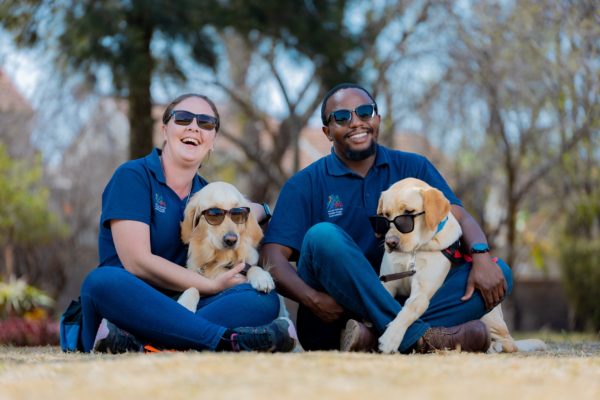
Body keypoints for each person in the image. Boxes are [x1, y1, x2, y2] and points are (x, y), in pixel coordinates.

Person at [260, 83, 511, 353]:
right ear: (327, 131)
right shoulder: (305, 184)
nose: (357, 122)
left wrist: (482, 254)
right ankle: (420, 337)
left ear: (377, 119)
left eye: (365, 112)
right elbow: (272, 258)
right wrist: (312, 300)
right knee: (323, 236)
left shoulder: (413, 167)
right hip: (335, 318)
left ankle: (373, 337)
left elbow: (458, 216)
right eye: (343, 117)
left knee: (501, 272)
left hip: (407, 299)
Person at [76, 93, 297, 353]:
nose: (194, 126)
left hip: (188, 305)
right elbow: (136, 261)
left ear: (212, 141)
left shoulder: (210, 194)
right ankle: (228, 340)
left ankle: (145, 345)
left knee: (263, 299)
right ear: (164, 129)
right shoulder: (133, 176)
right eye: (183, 119)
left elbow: (240, 230)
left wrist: (258, 210)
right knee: (101, 281)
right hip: (128, 304)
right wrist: (211, 286)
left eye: (205, 123)